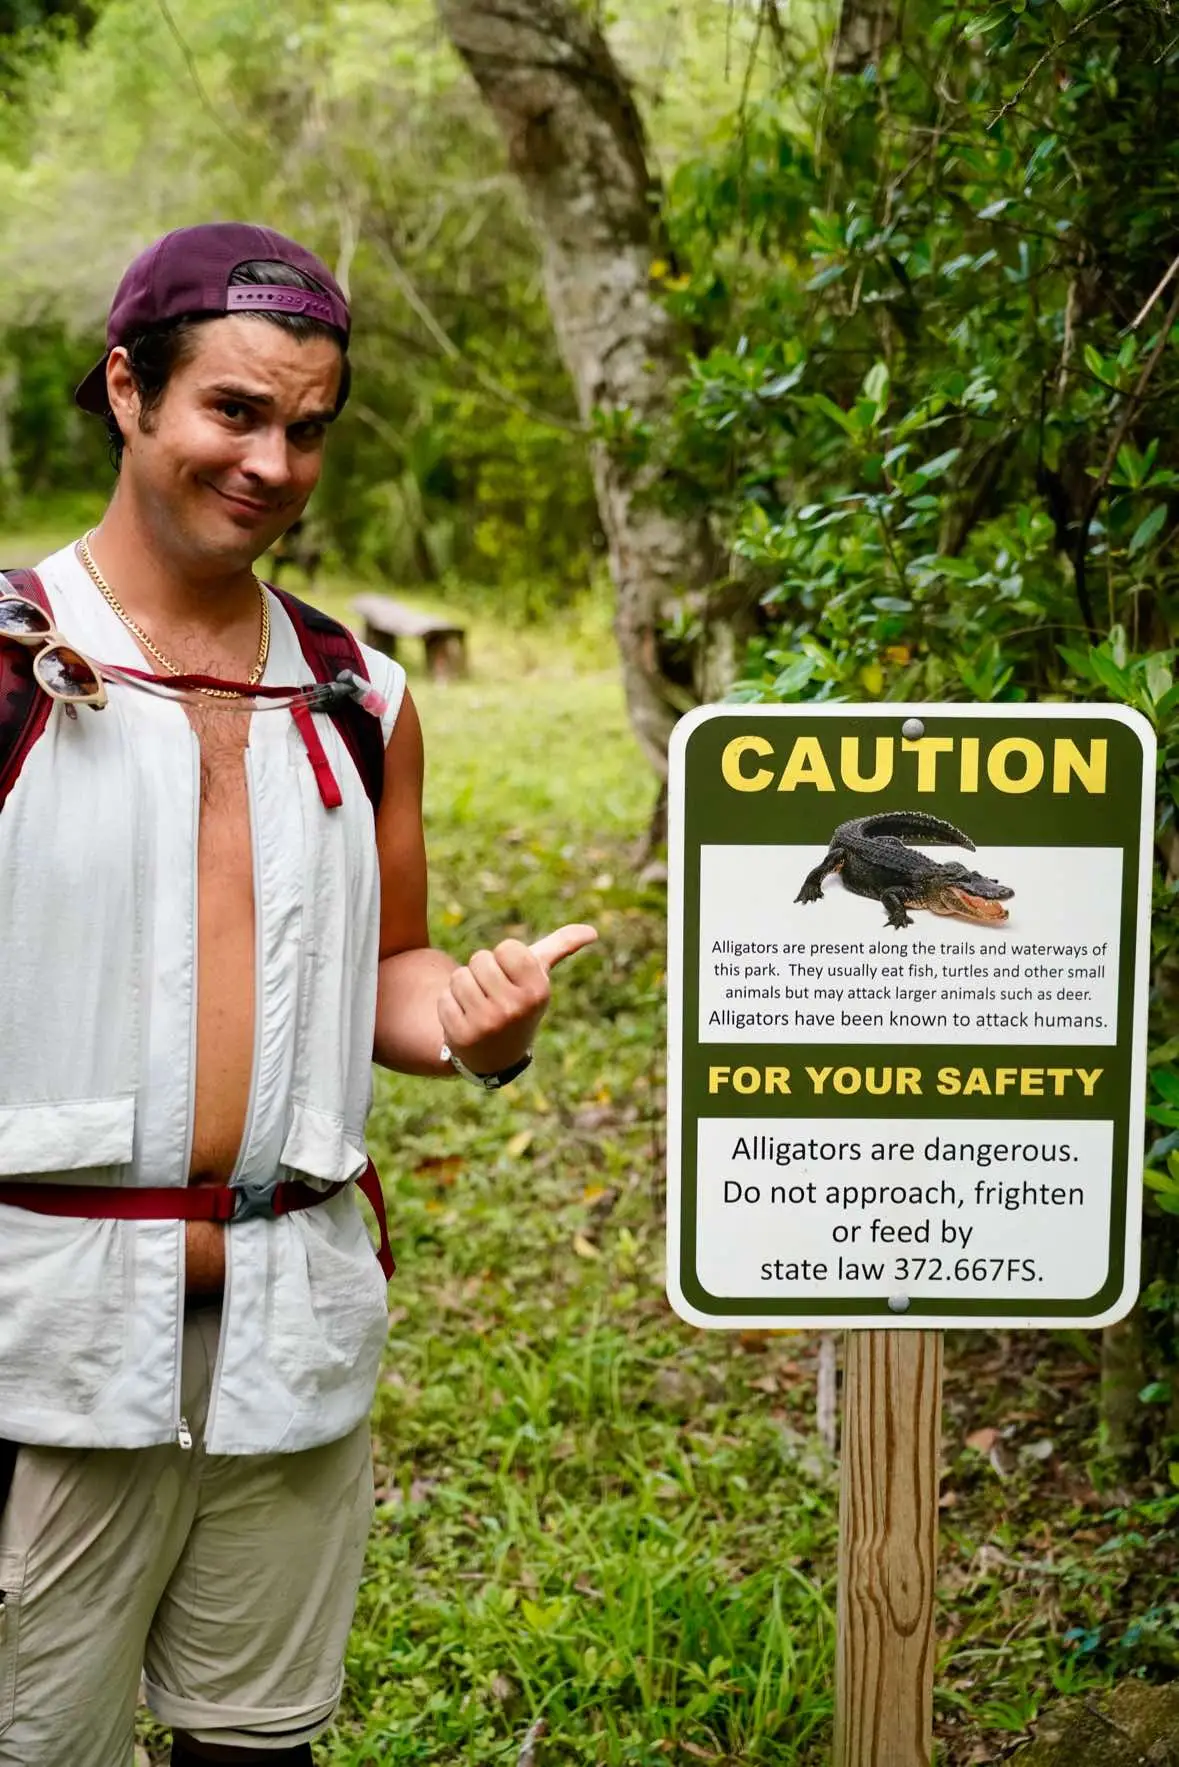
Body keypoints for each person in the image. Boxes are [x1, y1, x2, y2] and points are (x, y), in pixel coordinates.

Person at [0, 222, 596, 1767]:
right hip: (40, 1351)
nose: (272, 461)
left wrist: (471, 1025)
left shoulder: (358, 693)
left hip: (289, 1343)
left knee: (256, 1746)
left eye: (308, 428)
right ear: (129, 390)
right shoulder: (9, 665)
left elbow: (391, 972)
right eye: (236, 412)